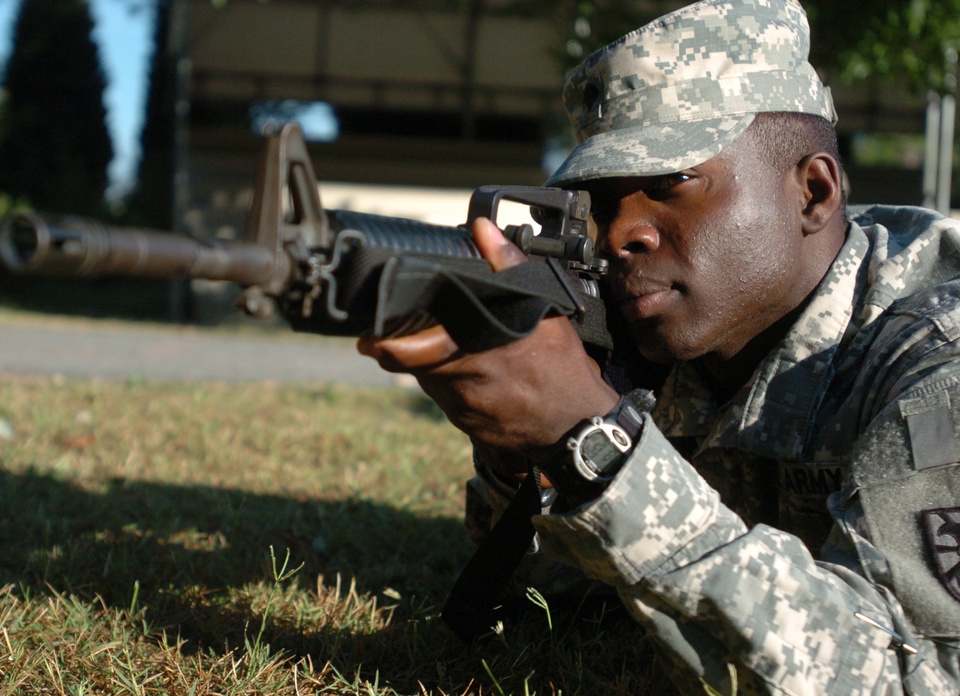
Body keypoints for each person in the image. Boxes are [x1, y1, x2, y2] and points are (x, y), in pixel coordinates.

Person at [359, 0, 960, 692]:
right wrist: (519, 452)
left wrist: (598, 445)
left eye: (672, 182)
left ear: (814, 191)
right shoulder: (673, 337)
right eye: (602, 201)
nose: (621, 234)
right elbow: (566, 594)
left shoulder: (940, 369)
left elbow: (914, 678)